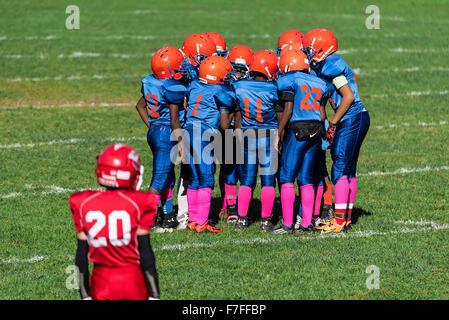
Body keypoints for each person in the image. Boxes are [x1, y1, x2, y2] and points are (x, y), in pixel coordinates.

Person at [69, 144, 160, 300]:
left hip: (101, 285)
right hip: (133, 284)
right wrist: (154, 294)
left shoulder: (83, 202)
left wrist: (85, 295)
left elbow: (80, 258)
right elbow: (146, 254)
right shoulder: (140, 202)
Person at [303, 28, 370, 232]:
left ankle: (339, 221)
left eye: (311, 49)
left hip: (352, 118)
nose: (309, 53)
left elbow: (348, 96)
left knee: (340, 167)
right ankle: (345, 218)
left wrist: (333, 123)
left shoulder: (332, 64)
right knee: (348, 169)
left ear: (322, 48)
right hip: (355, 118)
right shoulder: (325, 64)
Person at [272, 49, 330, 234]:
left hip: (298, 130)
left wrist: (278, 132)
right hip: (316, 129)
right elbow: (322, 114)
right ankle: (308, 224)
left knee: (287, 177)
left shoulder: (289, 79)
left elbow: (287, 110)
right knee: (306, 178)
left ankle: (288, 224)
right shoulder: (320, 83)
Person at [135, 46, 187, 232]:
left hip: (156, 130)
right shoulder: (172, 86)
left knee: (167, 175)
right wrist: (182, 142)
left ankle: (167, 215)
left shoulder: (150, 81)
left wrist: (153, 126)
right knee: (159, 179)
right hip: (167, 132)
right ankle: (146, 220)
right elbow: (174, 120)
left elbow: (140, 106)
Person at [183, 56, 235, 233]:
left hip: (186, 131)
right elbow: (224, 125)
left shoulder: (195, 86)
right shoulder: (222, 92)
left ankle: (193, 220)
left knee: (194, 178)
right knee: (206, 178)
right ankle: (202, 222)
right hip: (203, 134)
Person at [232, 49, 280, 232]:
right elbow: (281, 113)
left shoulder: (240, 86)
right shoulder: (274, 87)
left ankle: (242, 219)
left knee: (246, 180)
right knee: (268, 181)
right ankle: (266, 221)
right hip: (269, 136)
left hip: (247, 135)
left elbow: (236, 112)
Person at [216, 45, 255, 223]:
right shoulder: (223, 85)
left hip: (246, 131)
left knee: (246, 171)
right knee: (228, 168)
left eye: (241, 70)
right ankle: (230, 206)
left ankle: (243, 207)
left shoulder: (251, 86)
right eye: (234, 69)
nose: (237, 74)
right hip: (227, 131)